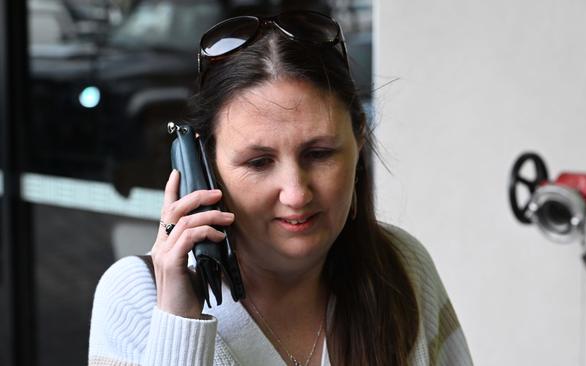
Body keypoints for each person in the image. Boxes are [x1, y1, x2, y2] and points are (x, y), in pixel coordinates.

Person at [88, 10, 473, 366]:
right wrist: (179, 322)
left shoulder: (401, 266)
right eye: (258, 162)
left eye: (319, 153)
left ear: (358, 143)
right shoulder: (137, 297)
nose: (296, 194)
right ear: (204, 168)